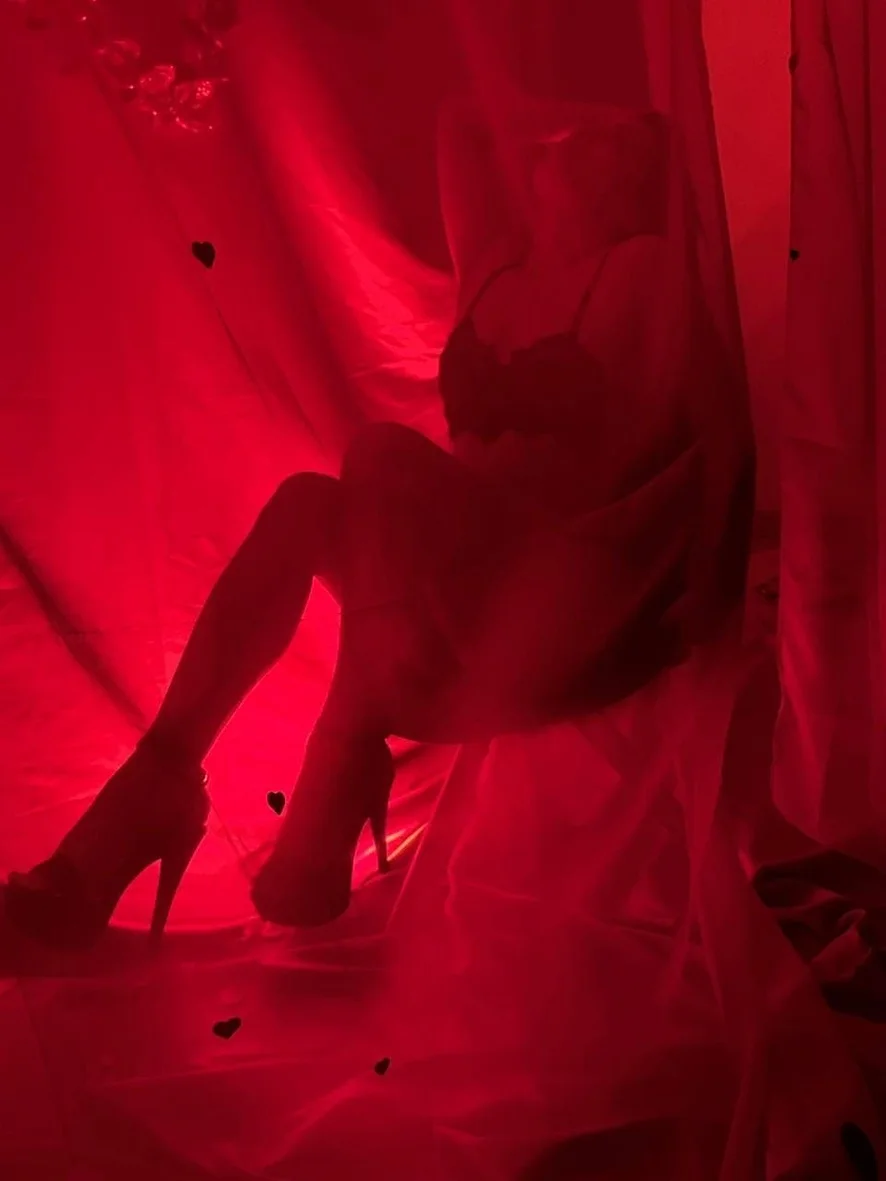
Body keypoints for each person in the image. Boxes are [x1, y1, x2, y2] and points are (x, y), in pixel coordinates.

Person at [3, 99, 754, 949]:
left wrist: (703, 589)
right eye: (576, 147)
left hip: (567, 586)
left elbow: (724, 437)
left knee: (382, 456)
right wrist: (549, 113)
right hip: (455, 589)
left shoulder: (646, 272)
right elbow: (460, 130)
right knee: (305, 503)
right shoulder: (496, 274)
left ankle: (336, 744)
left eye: (617, 151)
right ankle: (172, 777)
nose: (594, 161)